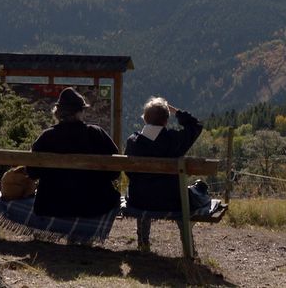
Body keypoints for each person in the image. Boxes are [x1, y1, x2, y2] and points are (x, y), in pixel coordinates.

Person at [27, 87, 121, 218]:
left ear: (58, 112)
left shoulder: (46, 137)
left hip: (52, 205)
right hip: (95, 205)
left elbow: (32, 172)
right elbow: (114, 171)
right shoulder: (96, 133)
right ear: (80, 112)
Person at [125, 97, 203, 252]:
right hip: (172, 201)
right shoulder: (174, 140)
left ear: (145, 118)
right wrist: (177, 112)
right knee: (194, 193)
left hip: (139, 200)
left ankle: (143, 244)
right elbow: (196, 126)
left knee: (143, 188)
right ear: (166, 121)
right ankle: (189, 249)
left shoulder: (133, 142)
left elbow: (129, 172)